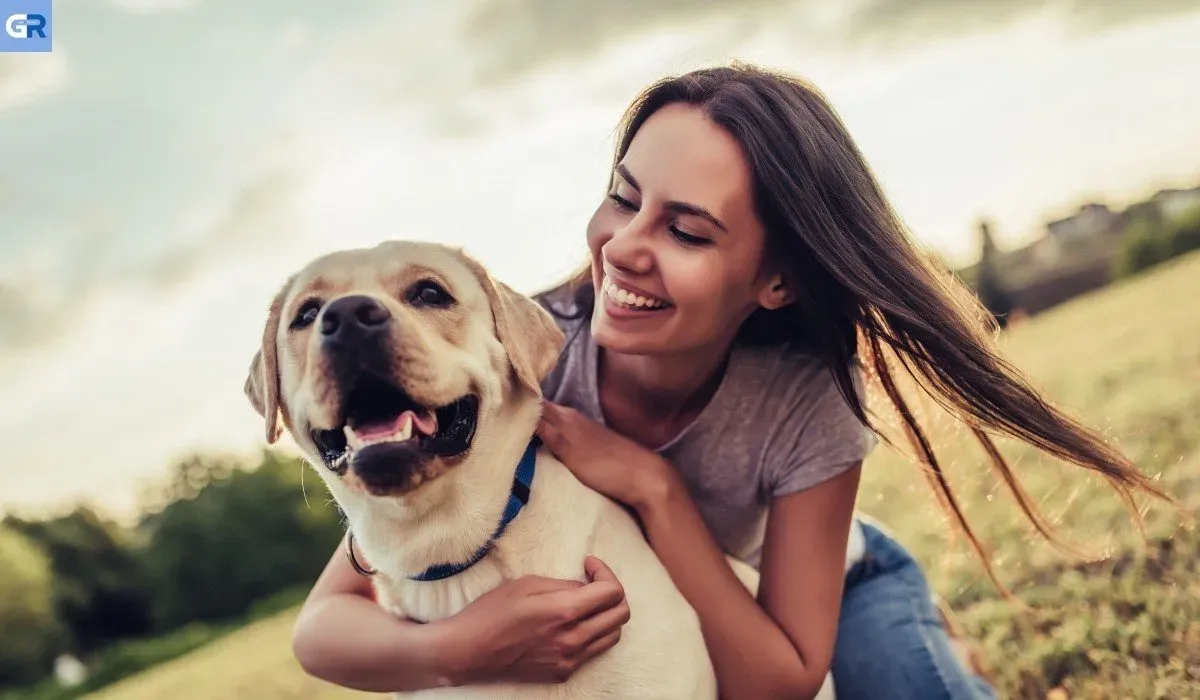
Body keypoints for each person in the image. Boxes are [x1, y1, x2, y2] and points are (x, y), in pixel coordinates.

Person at [289, 63, 1168, 699]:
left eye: (689, 232)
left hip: (823, 597)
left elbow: (779, 679)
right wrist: (456, 649)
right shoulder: (518, 362)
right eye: (624, 198)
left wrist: (657, 489)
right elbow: (325, 626)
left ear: (774, 281)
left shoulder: (804, 402)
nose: (626, 247)